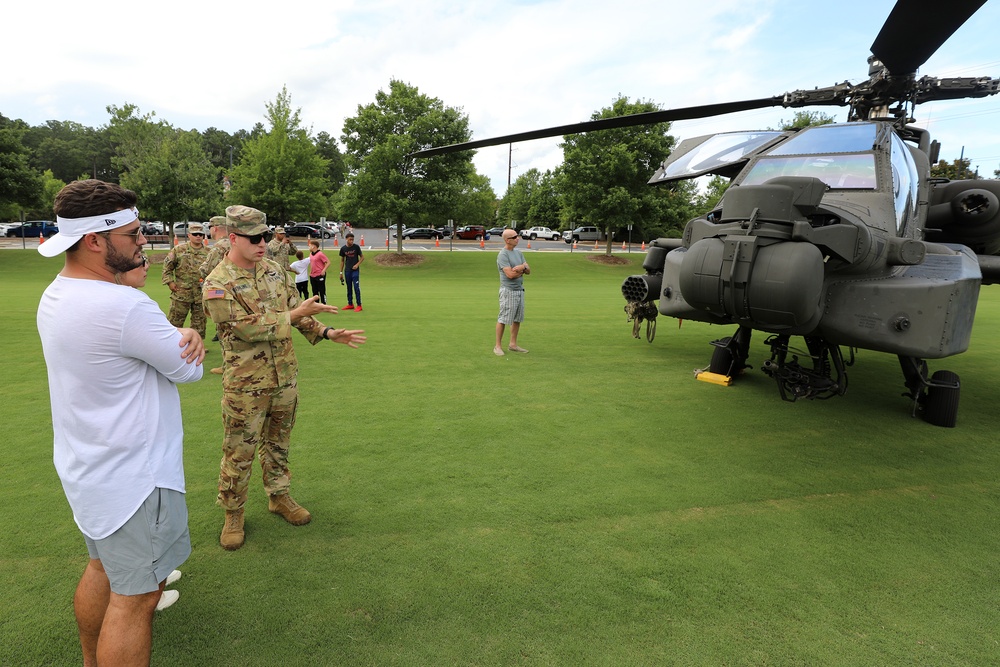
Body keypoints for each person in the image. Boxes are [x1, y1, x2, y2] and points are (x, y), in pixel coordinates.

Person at [36, 179, 205, 666]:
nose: (143, 243)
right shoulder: (125, 306)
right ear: (94, 240)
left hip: (89, 467)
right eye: (133, 235)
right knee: (137, 599)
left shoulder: (58, 292)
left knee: (103, 570)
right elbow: (189, 368)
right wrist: (185, 330)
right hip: (136, 478)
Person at [203, 205, 366, 551]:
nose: (262, 243)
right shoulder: (218, 282)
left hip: (284, 378)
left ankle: (279, 496)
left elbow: (299, 313)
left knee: (278, 443)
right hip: (246, 386)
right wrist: (295, 314)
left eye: (265, 236)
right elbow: (243, 329)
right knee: (239, 450)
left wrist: (327, 331)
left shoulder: (275, 271)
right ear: (232, 238)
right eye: (254, 238)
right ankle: (233, 512)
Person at [162, 222, 210, 340]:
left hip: (200, 294)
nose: (198, 236)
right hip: (181, 293)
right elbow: (167, 267)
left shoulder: (209, 253)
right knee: (175, 320)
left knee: (199, 322)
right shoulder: (179, 250)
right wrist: (170, 282)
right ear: (189, 235)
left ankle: (197, 345)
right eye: (195, 234)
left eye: (200, 234)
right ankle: (171, 343)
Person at [200, 216, 230, 375]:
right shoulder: (235, 243)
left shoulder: (218, 247)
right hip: (239, 291)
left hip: (221, 292)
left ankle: (228, 365)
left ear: (215, 228)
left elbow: (205, 270)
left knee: (224, 329)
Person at [495, 229, 531, 356]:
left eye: (517, 236)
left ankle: (513, 344)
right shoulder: (503, 255)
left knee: (517, 319)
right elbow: (510, 274)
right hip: (508, 291)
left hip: (519, 290)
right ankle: (497, 346)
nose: (518, 238)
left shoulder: (518, 253)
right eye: (514, 237)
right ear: (507, 240)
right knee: (503, 318)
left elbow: (529, 270)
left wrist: (522, 267)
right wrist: (523, 268)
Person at [339, 232, 364, 311]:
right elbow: (342, 261)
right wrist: (340, 272)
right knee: (349, 287)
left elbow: (362, 257)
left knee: (356, 287)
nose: (351, 241)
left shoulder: (356, 247)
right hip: (347, 271)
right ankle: (350, 304)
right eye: (350, 240)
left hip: (355, 271)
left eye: (352, 240)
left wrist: (357, 264)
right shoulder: (343, 249)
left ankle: (359, 305)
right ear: (346, 239)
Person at [308, 239, 330, 304]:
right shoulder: (311, 254)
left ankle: (324, 304)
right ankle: (316, 304)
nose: (309, 247)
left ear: (314, 246)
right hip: (313, 275)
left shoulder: (320, 254)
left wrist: (323, 270)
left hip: (319, 275)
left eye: (310, 246)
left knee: (322, 290)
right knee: (314, 291)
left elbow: (328, 262)